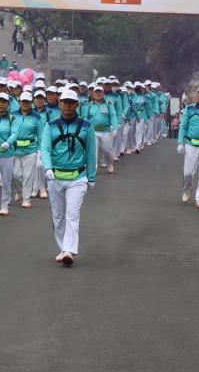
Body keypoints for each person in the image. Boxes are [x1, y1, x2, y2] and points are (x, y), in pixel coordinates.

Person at [40, 89, 96, 266]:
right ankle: (63, 248)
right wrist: (48, 168)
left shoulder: (87, 126)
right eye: (64, 102)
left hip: (78, 177)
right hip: (55, 176)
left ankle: (69, 250)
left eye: (71, 102)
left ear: (77, 105)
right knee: (58, 216)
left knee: (72, 214)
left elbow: (91, 152)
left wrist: (91, 176)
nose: (67, 105)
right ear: (59, 103)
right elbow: (46, 149)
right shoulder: (50, 125)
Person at [12, 92, 44, 208]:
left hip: (30, 150)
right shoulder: (13, 115)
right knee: (16, 175)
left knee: (28, 175)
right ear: (20, 102)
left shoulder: (37, 117)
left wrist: (41, 152)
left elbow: (40, 135)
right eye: (23, 101)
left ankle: (26, 199)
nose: (25, 103)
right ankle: (19, 192)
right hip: (15, 150)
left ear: (31, 102)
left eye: (27, 101)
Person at [0, 93, 18, 216]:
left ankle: (4, 206)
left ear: (8, 104)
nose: (1, 104)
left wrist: (8, 143)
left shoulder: (12, 119)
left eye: (4, 102)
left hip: (7, 154)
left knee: (6, 181)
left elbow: (15, 133)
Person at [85, 85, 119, 175]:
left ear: (103, 93)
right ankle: (93, 168)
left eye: (100, 92)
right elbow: (86, 118)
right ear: (93, 94)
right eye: (96, 92)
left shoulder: (108, 104)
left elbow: (113, 115)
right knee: (93, 150)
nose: (98, 94)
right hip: (93, 131)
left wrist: (115, 127)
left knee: (107, 150)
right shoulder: (89, 105)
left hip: (106, 131)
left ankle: (110, 164)